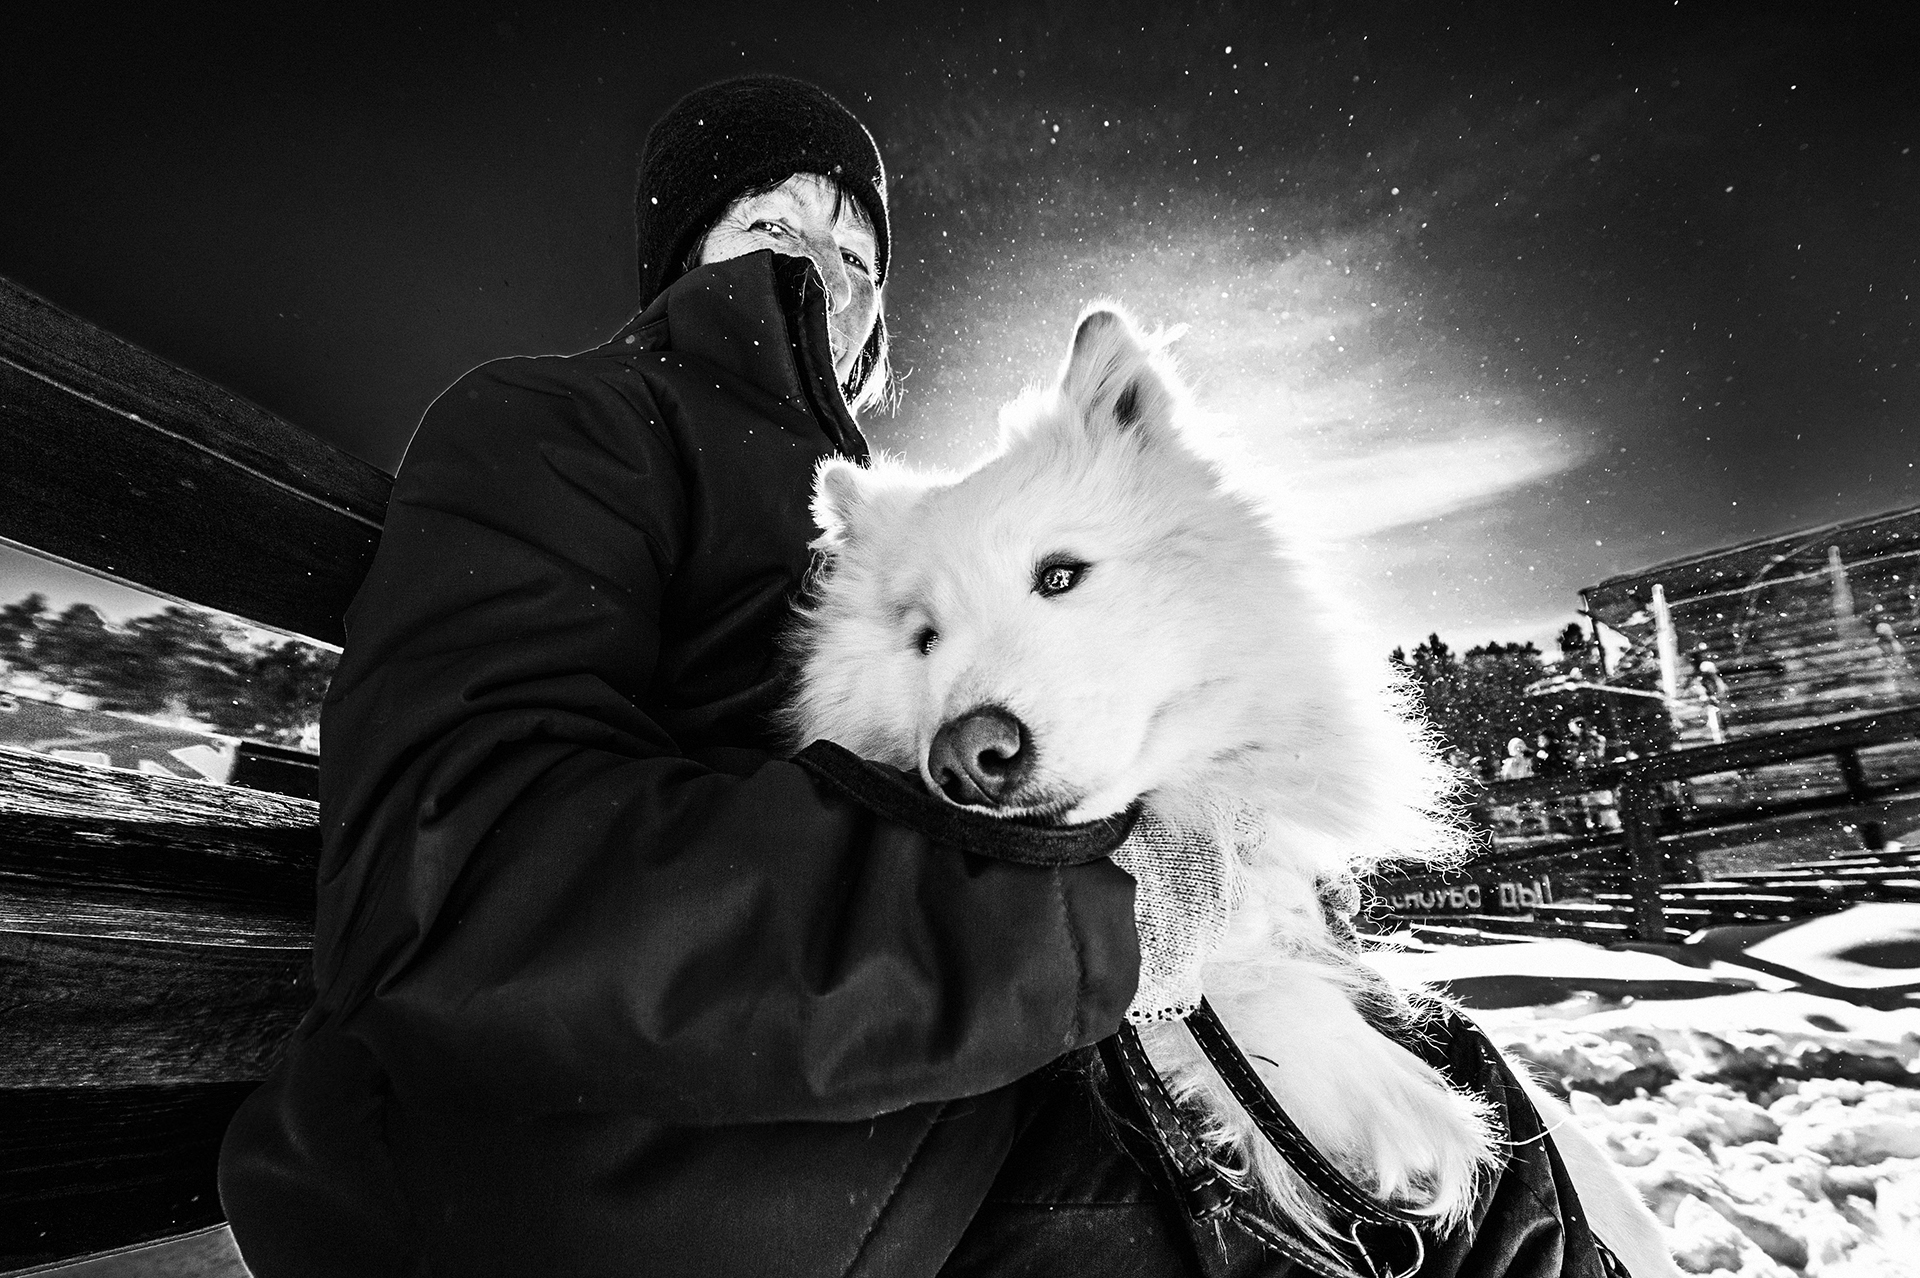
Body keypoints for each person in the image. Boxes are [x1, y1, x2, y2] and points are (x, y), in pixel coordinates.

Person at [216, 75, 1182, 1277]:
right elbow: (459, 879)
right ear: (688, 256)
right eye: (775, 227)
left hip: (897, 1132)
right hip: (597, 1186)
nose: (829, 271)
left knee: (1451, 1112)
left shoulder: (899, 536)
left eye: (860, 253)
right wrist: (1100, 925)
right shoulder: (563, 426)